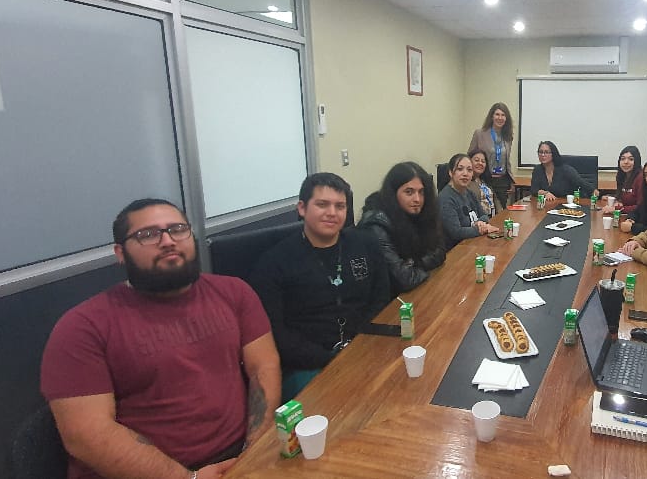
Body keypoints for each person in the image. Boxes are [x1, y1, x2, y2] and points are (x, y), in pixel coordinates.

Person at [41, 199, 281, 479]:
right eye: (148, 234)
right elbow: (87, 436)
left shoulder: (234, 292)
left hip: (239, 457)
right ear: (121, 253)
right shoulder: (82, 327)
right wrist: (188, 478)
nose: (168, 241)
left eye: (177, 229)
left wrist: (254, 451)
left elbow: (264, 366)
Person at [248, 173, 390, 400]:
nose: (332, 213)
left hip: (364, 348)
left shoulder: (365, 244)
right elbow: (275, 332)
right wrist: (330, 358)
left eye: (340, 206)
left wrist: (361, 345)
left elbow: (381, 296)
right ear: (302, 208)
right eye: (322, 204)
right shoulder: (274, 262)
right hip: (307, 364)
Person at [356, 162, 446, 295]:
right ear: (393, 193)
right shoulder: (376, 225)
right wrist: (420, 266)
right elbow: (404, 279)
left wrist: (414, 264)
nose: (417, 199)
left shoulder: (420, 214)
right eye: (409, 192)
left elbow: (440, 252)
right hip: (389, 300)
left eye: (421, 192)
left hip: (416, 291)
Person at [438, 153, 500, 247]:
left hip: (473, 243)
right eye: (460, 169)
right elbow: (456, 232)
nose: (465, 174)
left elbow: (484, 215)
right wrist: (481, 229)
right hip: (455, 250)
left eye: (469, 170)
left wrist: (479, 223)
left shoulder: (469, 193)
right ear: (450, 172)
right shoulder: (446, 198)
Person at [468, 102, 515, 208]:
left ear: (506, 118)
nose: (500, 118)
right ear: (492, 116)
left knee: (502, 211)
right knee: (486, 209)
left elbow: (506, 160)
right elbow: (470, 156)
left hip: (502, 180)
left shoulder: (508, 136)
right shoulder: (480, 134)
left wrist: (511, 181)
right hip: (485, 178)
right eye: (497, 114)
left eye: (503, 115)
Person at [531, 141, 596, 204]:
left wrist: (597, 194)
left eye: (546, 152)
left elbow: (583, 184)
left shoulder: (566, 170)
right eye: (540, 152)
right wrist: (545, 193)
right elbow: (534, 190)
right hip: (548, 205)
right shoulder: (537, 170)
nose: (543, 155)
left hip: (566, 205)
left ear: (553, 154)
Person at [601, 146, 643, 217]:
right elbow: (624, 196)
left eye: (631, 159)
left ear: (637, 161)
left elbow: (640, 207)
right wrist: (617, 200)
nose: (626, 162)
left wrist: (616, 209)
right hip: (626, 215)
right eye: (623, 159)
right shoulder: (622, 176)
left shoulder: (641, 178)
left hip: (636, 218)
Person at [467, 148, 501, 216]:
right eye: (476, 160)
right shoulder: (466, 182)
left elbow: (495, 200)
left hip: (493, 217)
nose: (480, 163)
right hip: (479, 219)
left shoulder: (485, 181)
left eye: (483, 161)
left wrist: (501, 215)